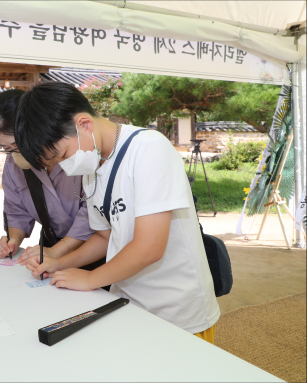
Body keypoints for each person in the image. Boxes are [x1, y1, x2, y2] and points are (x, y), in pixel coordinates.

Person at [15, 82, 220, 343]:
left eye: (62, 154)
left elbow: (149, 248)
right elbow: (104, 238)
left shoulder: (149, 149)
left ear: (84, 124)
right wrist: (59, 263)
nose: (64, 167)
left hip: (177, 312)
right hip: (128, 301)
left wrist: (90, 279)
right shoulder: (91, 167)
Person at [0, 89, 96, 266]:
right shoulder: (13, 164)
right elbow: (16, 210)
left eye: (18, 145)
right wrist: (13, 240)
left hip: (93, 248)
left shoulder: (74, 153)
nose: (15, 154)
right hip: (50, 246)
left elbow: (91, 213)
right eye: (7, 149)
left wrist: (58, 251)